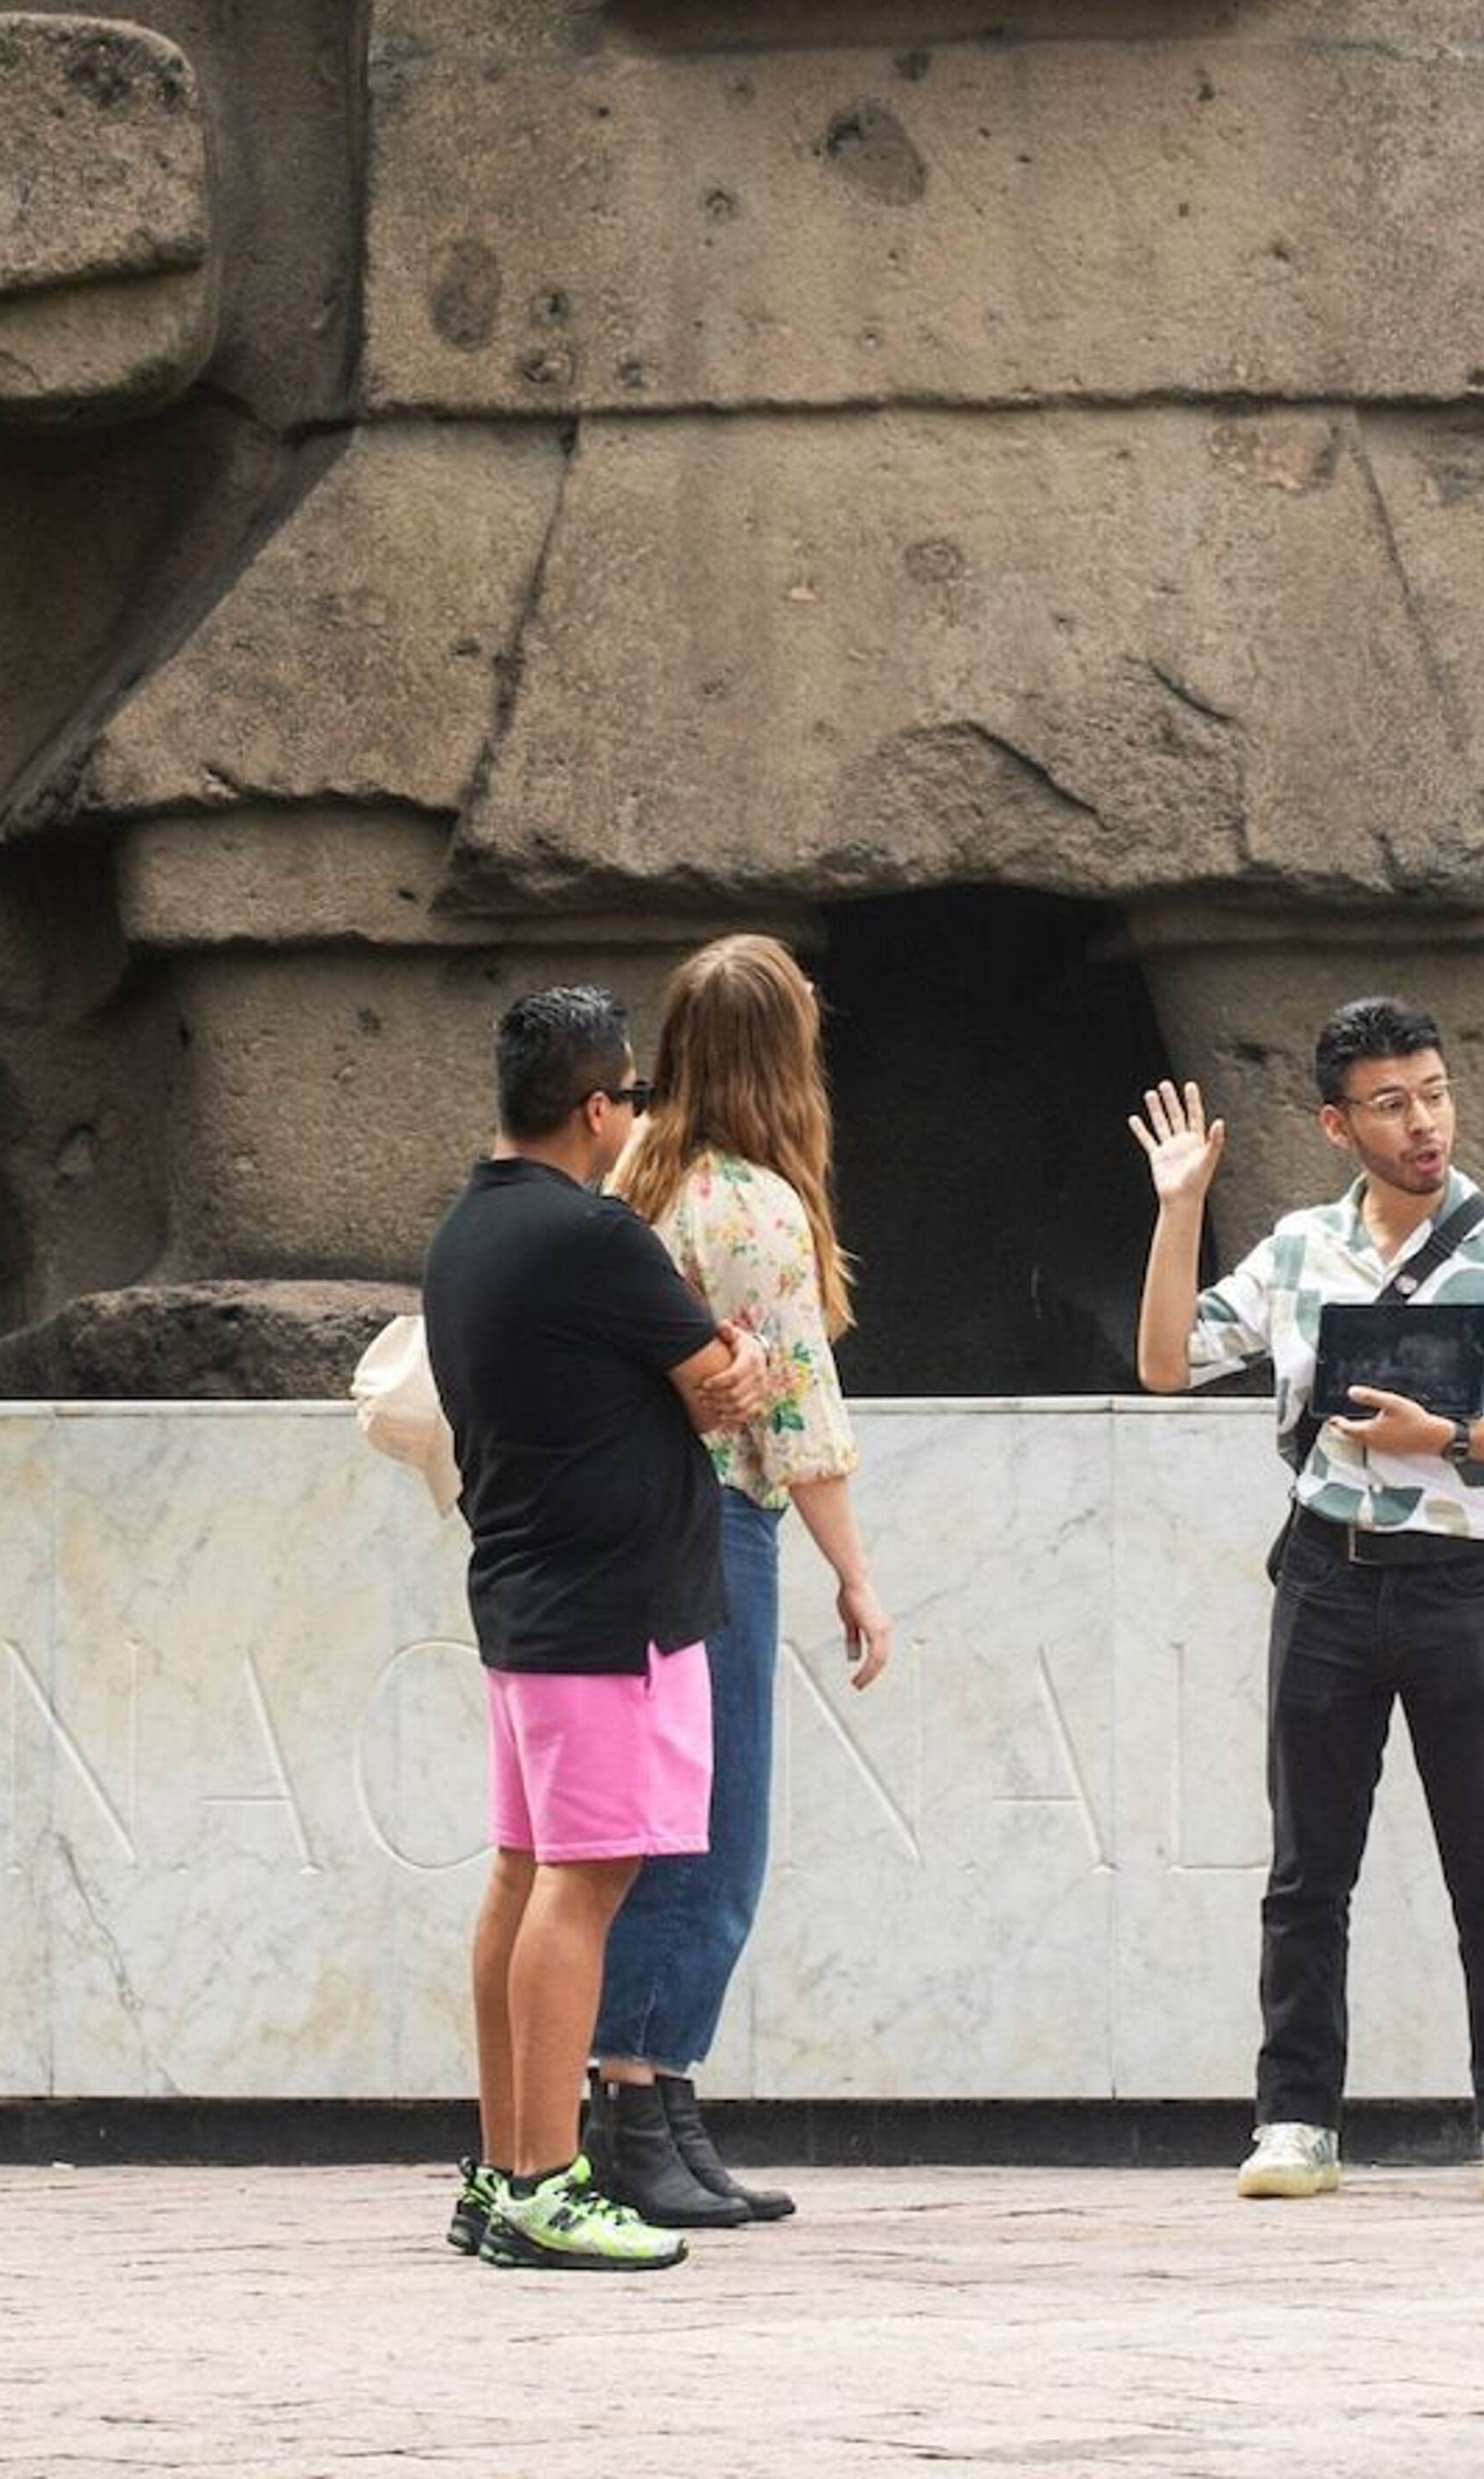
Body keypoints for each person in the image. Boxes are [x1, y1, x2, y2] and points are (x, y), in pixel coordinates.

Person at [1131, 993, 1484, 2207]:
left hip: (1466, 1581)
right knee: (1308, 1872)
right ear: (1336, 1125)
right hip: (1328, 1577)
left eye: (1435, 1093)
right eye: (1391, 1104)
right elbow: (1166, 1359)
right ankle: (1296, 2119)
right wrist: (1181, 1207)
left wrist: (1448, 1436)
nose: (1423, 1122)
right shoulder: (1300, 1248)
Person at [419, 981, 769, 2273]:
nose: (634, 1117)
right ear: (595, 1107)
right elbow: (721, 1385)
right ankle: (543, 2181)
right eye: (629, 1095)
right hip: (613, 1611)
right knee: (587, 1882)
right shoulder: (596, 1235)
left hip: (525, 1597)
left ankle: (500, 2171)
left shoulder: (467, 1230)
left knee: (525, 1873)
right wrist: (742, 1368)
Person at [586, 932, 895, 2232]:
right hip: (719, 1525)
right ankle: (634, 2108)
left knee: (659, 1822)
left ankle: (660, 2113)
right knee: (714, 1836)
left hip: (634, 1523)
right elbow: (796, 1413)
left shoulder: (633, 1176)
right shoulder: (755, 1206)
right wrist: (856, 1576)